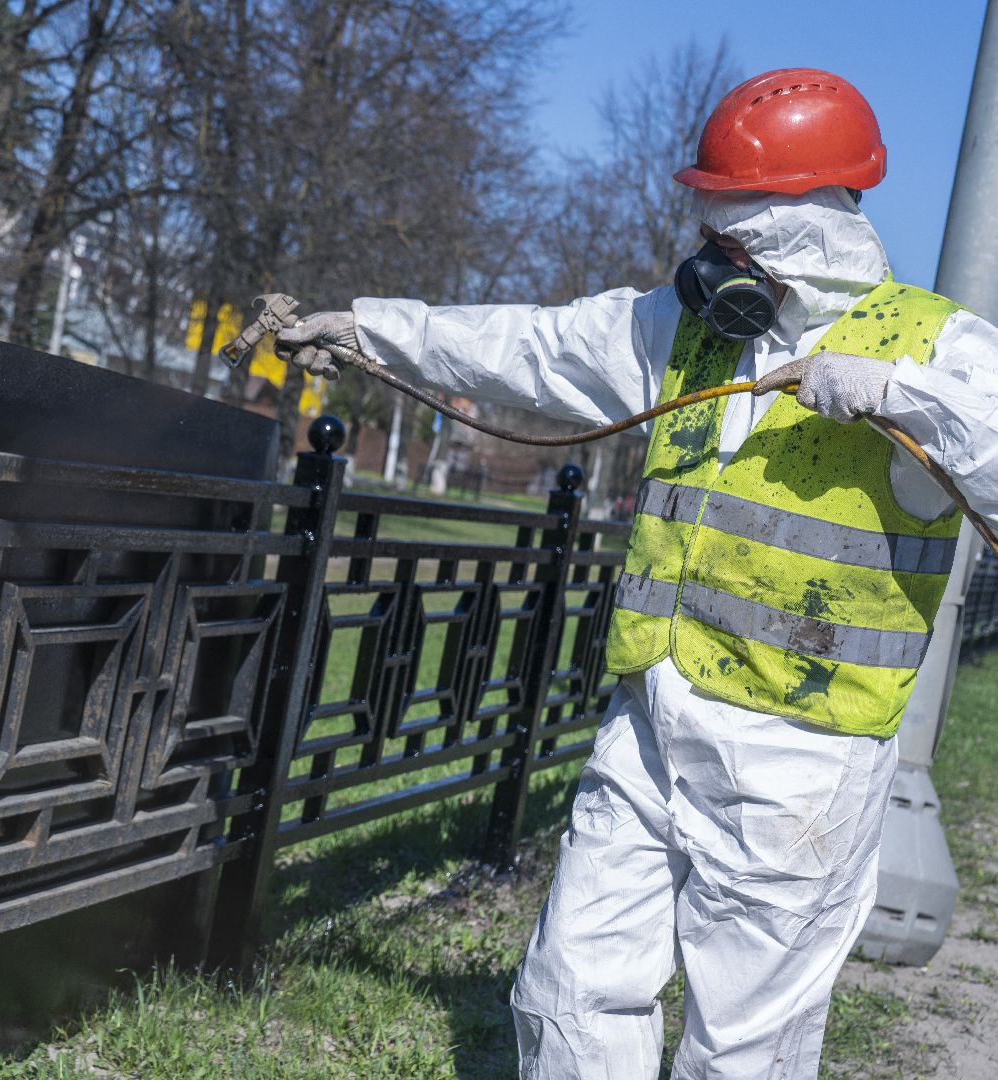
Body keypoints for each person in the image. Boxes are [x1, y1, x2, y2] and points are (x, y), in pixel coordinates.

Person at [277, 68, 998, 1079]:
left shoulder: (935, 351)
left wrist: (904, 400)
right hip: (652, 724)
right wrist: (369, 328)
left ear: (805, 223)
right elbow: (529, 347)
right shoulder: (684, 330)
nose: (710, 256)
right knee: (567, 985)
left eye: (731, 232)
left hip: (800, 763)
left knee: (742, 1048)